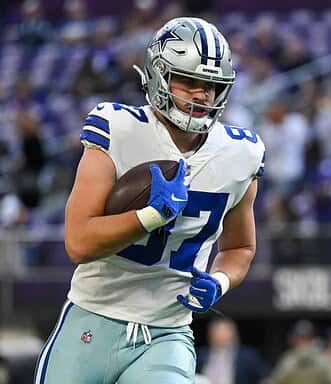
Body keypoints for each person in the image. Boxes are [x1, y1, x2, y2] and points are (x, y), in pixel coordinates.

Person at [34, 17, 265, 384]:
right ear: (160, 76)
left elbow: (240, 247)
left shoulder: (240, 154)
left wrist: (220, 280)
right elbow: (78, 243)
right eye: (188, 81)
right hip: (94, 316)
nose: (201, 94)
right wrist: (150, 216)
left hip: (167, 332)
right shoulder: (119, 129)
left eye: (210, 85)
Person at [197, 318, 268, 384]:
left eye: (225, 332)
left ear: (233, 334)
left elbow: (263, 379)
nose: (221, 336)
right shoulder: (200, 354)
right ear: (210, 335)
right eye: (217, 332)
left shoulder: (248, 356)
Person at [270, 320, 331, 384]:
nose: (302, 342)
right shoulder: (289, 358)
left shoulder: (322, 357)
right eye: (300, 338)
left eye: (306, 338)